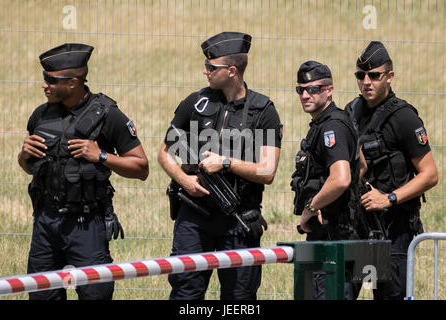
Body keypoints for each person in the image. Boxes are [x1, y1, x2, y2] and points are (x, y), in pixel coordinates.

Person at [18, 43, 149, 300]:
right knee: (41, 296)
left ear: (73, 82)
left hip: (86, 225)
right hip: (46, 223)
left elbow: (141, 167)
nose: (44, 85)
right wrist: (23, 155)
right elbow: (28, 167)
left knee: (95, 295)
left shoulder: (108, 115)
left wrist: (100, 155)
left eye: (51, 80)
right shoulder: (40, 116)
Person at [157, 32, 282, 300]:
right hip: (194, 216)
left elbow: (268, 171)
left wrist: (226, 162)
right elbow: (164, 153)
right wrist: (185, 181)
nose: (205, 71)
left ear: (232, 71)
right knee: (185, 293)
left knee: (239, 298)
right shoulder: (196, 103)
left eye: (212, 67)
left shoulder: (263, 111)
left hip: (238, 219)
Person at [345, 41, 438, 300]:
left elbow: (430, 174)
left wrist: (389, 198)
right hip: (358, 227)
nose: (366, 82)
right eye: (360, 75)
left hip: (392, 231)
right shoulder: (353, 111)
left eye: (374, 75)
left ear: (390, 77)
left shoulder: (404, 118)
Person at [290, 61, 361, 299]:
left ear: (329, 90)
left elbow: (341, 179)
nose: (305, 95)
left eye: (313, 89)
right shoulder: (332, 121)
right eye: (300, 89)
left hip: (333, 237)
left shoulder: (331, 126)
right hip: (335, 234)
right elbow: (361, 164)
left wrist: (312, 206)